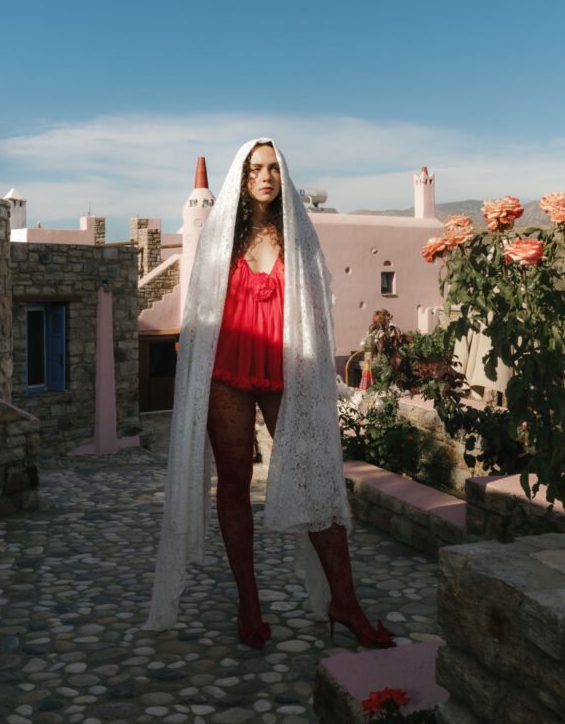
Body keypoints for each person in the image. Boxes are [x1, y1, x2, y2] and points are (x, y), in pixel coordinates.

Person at [145, 139, 395, 650]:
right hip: (226, 376)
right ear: (241, 176)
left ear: (284, 176)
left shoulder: (297, 238)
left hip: (287, 372)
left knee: (316, 478)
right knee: (234, 485)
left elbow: (314, 312)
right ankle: (249, 603)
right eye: (256, 168)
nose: (265, 176)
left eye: (273, 168)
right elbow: (199, 314)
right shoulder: (219, 238)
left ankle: (344, 601)